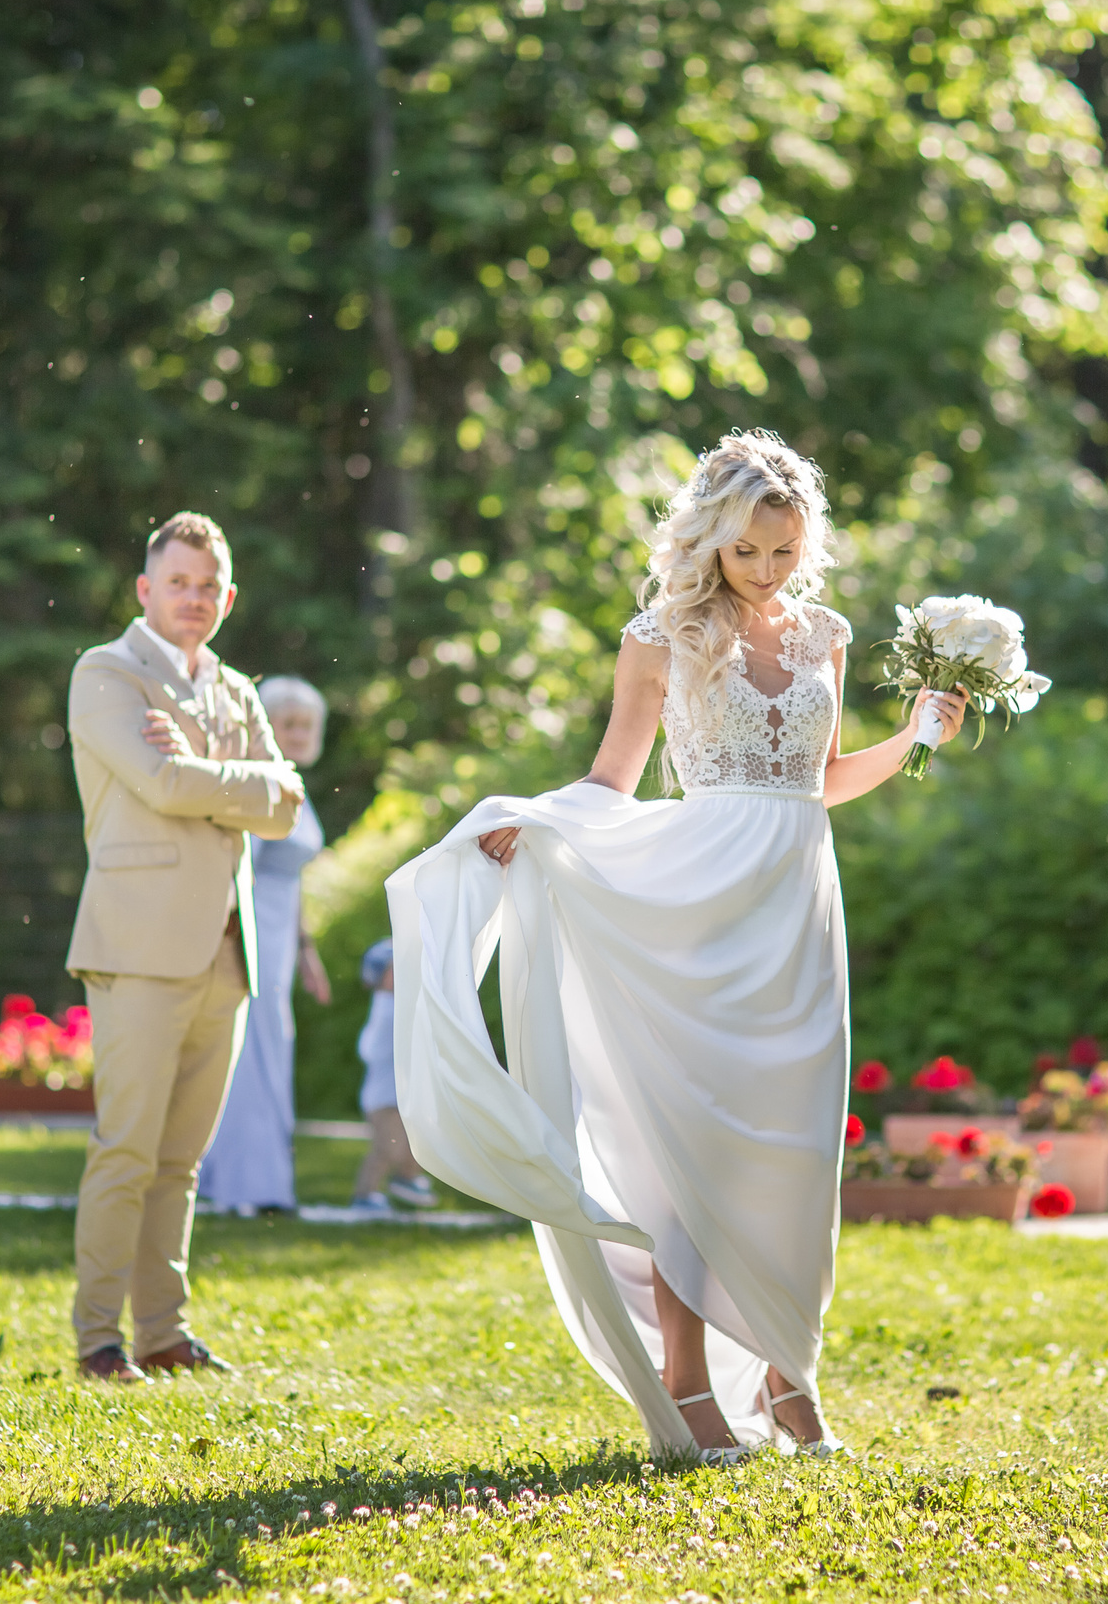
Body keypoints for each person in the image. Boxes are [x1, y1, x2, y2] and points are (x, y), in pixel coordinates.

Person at [384, 431, 966, 1459]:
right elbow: (614, 776)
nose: (767, 569)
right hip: (696, 906)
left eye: (785, 551)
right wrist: (539, 822)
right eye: (747, 551)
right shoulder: (660, 635)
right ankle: (688, 1383)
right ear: (709, 539)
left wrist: (917, 736)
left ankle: (790, 1379)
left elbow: (820, 780)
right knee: (690, 1141)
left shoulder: (825, 634)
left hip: (797, 911)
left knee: (794, 1147)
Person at [63, 511, 304, 1383]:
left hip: (225, 954)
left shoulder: (236, 688)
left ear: (228, 598)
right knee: (127, 1149)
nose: (194, 598)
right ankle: (99, 1339)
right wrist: (238, 778)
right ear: (145, 589)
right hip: (138, 946)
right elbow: (162, 785)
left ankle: (162, 1332)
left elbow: (289, 804)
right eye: (179, 582)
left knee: (182, 1161)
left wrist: (202, 765)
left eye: (209, 586)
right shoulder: (106, 672)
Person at [187, 676, 333, 1215]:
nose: (298, 733)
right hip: (247, 934)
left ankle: (259, 1180)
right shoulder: (256, 786)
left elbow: (291, 882)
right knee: (250, 1048)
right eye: (287, 723)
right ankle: (243, 1184)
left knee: (273, 1044)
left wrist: (307, 950)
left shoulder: (293, 785)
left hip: (281, 939)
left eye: (307, 725)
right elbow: (234, 870)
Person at [348, 938, 433, 1211]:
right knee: (387, 1148)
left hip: (397, 1095)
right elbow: (370, 1049)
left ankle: (406, 1178)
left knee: (415, 1141)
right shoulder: (387, 1007)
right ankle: (364, 1195)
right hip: (384, 1098)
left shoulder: (395, 1004)